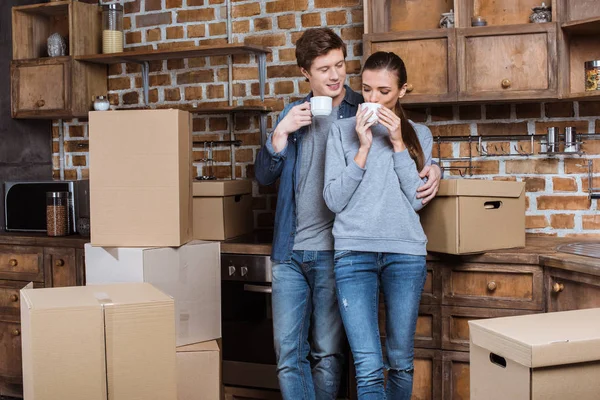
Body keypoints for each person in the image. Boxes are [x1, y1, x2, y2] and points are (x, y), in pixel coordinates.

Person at [255, 28, 440, 399]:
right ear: (305, 72)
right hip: (293, 247)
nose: (335, 75)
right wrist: (279, 136)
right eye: (324, 68)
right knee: (288, 354)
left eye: (340, 65)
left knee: (330, 353)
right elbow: (264, 176)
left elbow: (412, 152)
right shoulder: (295, 115)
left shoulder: (363, 108)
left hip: (335, 246)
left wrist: (437, 169)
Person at [323, 51, 433, 400]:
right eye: (367, 89)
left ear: (401, 91)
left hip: (405, 255)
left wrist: (400, 143)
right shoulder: (341, 132)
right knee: (368, 366)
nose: (372, 99)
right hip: (354, 254)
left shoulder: (419, 135)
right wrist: (363, 149)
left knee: (400, 362)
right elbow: (333, 200)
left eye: (383, 91)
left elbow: (416, 199)